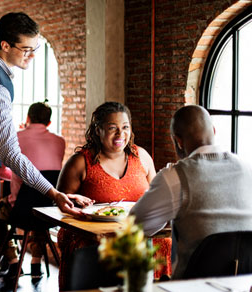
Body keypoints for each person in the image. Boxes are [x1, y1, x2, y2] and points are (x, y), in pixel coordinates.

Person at [0, 12, 92, 291]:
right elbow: (11, 154)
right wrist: (54, 193)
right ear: (5, 45)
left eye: (36, 49)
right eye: (26, 49)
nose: (32, 56)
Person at [55, 101, 170, 289]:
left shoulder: (141, 157)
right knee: (90, 246)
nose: (120, 134)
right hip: (89, 234)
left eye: (125, 127)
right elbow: (60, 206)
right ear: (98, 130)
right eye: (112, 128)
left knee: (163, 242)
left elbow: (156, 198)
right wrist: (73, 203)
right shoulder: (80, 162)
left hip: (135, 230)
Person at [130, 105, 252, 279]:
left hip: (191, 285)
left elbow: (136, 224)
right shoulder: (248, 168)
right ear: (214, 131)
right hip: (243, 283)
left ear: (177, 140)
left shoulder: (175, 177)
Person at [0, 102, 65, 283]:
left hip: (21, 211)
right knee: (39, 208)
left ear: (28, 118)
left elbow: (3, 172)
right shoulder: (60, 141)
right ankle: (36, 262)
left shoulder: (16, 138)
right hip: (50, 211)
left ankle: (13, 260)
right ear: (49, 123)